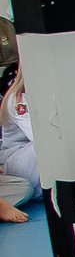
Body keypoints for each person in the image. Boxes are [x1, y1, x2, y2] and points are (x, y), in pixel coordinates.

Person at [0, 66, 34, 223]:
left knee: (23, 188)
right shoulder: (19, 97)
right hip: (15, 158)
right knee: (46, 147)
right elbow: (39, 137)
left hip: (14, 175)